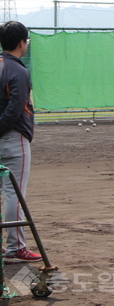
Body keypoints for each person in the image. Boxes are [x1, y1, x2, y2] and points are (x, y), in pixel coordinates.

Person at [0, 21, 42, 262]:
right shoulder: (18, 70)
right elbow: (16, 108)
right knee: (14, 193)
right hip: (13, 138)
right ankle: (15, 248)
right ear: (21, 43)